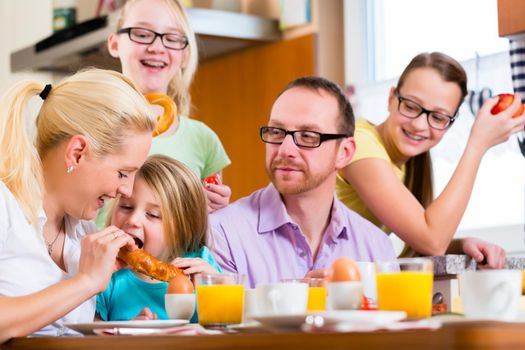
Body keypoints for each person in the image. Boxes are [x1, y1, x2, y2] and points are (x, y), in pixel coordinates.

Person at [0, 69, 156, 342]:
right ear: (77, 152)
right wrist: (85, 281)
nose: (126, 190)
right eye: (123, 173)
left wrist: (114, 333)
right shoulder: (5, 205)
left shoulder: (82, 228)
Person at [336, 52, 525, 267]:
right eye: (410, 106)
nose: (419, 125)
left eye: (437, 117)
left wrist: (460, 244)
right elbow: (432, 241)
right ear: (391, 99)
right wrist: (477, 145)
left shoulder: (405, 164)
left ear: (449, 124)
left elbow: (419, 238)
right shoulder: (361, 145)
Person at [209, 77, 396, 288]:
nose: (285, 150)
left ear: (344, 153)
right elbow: (223, 320)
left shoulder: (378, 250)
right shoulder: (221, 234)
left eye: (308, 136)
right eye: (277, 132)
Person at [107, 0, 231, 212]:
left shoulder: (203, 140)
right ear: (115, 44)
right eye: (142, 34)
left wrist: (214, 206)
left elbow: (209, 226)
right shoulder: (92, 126)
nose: (157, 48)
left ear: (185, 55)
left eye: (172, 38)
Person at [96, 154, 221, 322]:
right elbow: (93, 337)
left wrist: (217, 291)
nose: (133, 220)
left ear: (182, 231)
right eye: (126, 206)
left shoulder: (201, 266)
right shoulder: (107, 274)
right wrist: (124, 335)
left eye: (153, 215)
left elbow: (227, 331)